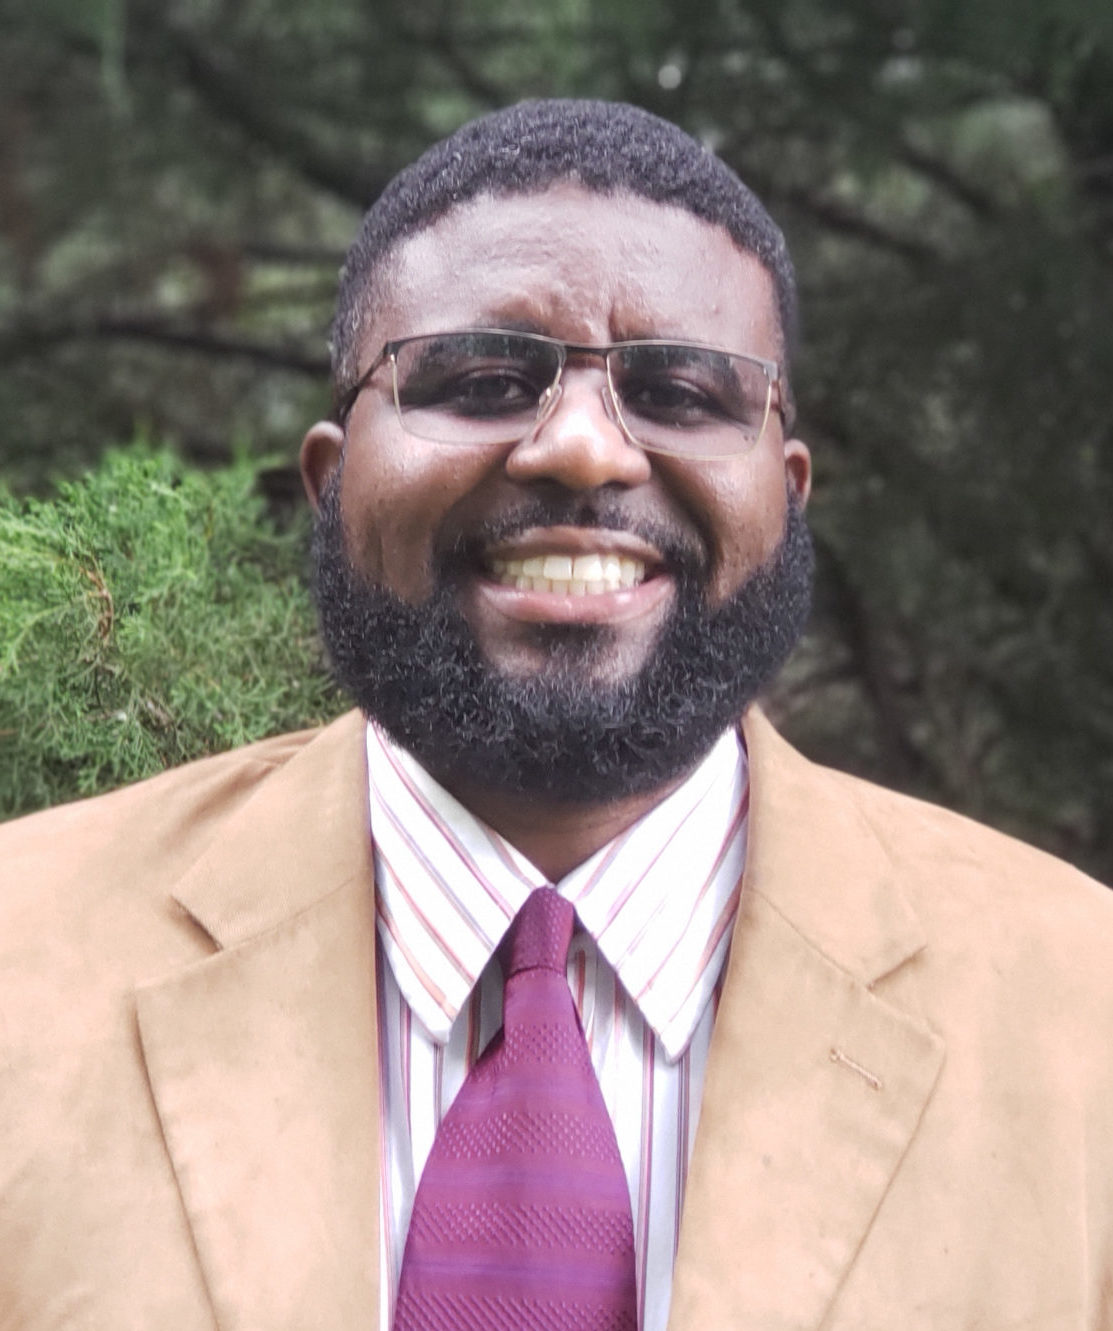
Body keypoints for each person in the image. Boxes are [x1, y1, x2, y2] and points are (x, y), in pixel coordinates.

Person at [1, 99, 1111, 1331]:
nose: (584, 448)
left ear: (787, 499)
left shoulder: (1082, 1009)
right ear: (330, 484)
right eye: (481, 378)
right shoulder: (22, 960)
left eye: (686, 392)